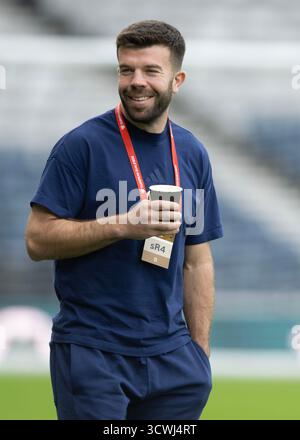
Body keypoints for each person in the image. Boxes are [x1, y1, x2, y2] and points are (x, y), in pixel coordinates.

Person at [25, 20, 223, 420]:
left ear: (177, 79)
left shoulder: (192, 153)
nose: (137, 81)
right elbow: (37, 240)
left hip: (173, 361)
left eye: (151, 70)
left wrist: (199, 355)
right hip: (92, 352)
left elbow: (197, 260)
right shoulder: (80, 146)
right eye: (126, 69)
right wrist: (123, 226)